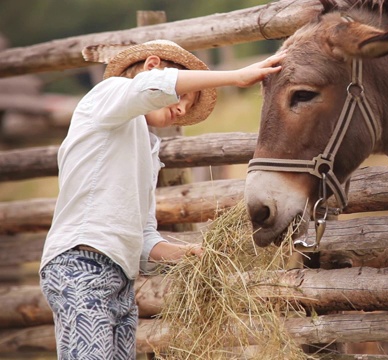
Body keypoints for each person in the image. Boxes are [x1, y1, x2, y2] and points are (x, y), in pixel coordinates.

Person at [39, 39, 285, 359]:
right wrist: (236, 76)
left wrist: (190, 255)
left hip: (120, 279)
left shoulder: (146, 150)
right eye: (182, 96)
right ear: (152, 65)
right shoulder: (106, 94)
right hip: (81, 262)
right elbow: (151, 88)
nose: (181, 108)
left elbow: (143, 238)